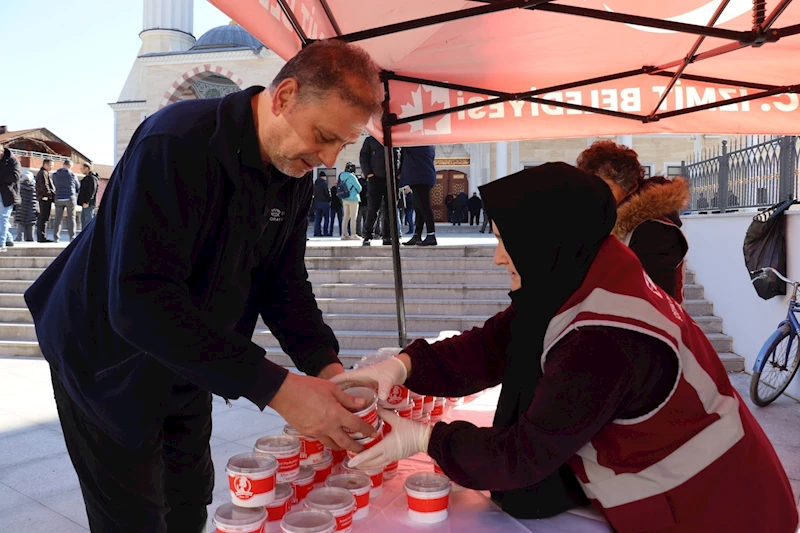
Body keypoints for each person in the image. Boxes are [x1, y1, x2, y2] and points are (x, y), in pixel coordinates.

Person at [24, 39, 382, 533]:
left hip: (190, 353)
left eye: (341, 144)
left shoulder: (293, 172)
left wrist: (327, 367)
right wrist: (278, 389)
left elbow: (284, 282)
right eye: (322, 136)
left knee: (189, 503)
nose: (327, 158)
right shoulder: (175, 142)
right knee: (135, 518)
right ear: (284, 96)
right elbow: (138, 300)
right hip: (106, 358)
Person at [333, 163, 798, 533]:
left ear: (544, 239)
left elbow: (525, 453)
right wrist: (401, 366)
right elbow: (496, 343)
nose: (498, 257)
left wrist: (423, 439)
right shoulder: (584, 266)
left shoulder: (604, 339)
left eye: (506, 241)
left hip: (717, 507)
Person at [577, 141, 688, 301]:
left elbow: (655, 301)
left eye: (606, 187)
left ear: (630, 187)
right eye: (590, 187)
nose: (596, 194)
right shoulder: (606, 218)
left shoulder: (653, 230)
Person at [400, 146, 437, 246]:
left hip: (420, 178)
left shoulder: (413, 145)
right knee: (419, 209)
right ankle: (417, 235)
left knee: (424, 208)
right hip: (423, 177)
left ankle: (431, 235)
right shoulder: (428, 145)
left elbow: (403, 155)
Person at [359, 135, 391, 246]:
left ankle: (388, 236)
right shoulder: (371, 140)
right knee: (372, 208)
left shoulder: (394, 138)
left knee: (390, 209)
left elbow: (402, 157)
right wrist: (368, 173)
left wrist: (399, 174)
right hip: (375, 178)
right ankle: (367, 235)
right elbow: (363, 156)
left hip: (391, 179)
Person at [51, 159, 79, 242]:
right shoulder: (72, 174)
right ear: (70, 166)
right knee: (71, 218)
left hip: (58, 197)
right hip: (70, 197)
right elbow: (77, 186)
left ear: (63, 164)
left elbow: (54, 184)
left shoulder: (55, 174)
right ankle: (72, 237)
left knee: (58, 218)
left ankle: (56, 237)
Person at [0, 144, 21, 251]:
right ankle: (8, 238)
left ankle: (1, 244)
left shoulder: (13, 161)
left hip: (7, 193)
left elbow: (15, 176)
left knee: (3, 218)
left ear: (2, 151)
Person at [338, 162, 362, 240]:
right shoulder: (352, 176)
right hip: (353, 198)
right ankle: (353, 234)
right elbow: (359, 188)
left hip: (344, 198)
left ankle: (344, 234)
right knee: (353, 217)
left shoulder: (341, 176)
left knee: (345, 217)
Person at [36, 158, 55, 242]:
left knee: (44, 218)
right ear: (45, 165)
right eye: (51, 165)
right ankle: (41, 236)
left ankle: (42, 236)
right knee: (43, 217)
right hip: (44, 198)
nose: (52, 167)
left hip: (45, 198)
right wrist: (50, 195)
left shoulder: (45, 173)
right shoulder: (43, 173)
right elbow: (45, 186)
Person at [15, 170, 38, 242]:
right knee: (31, 224)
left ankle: (19, 238)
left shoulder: (19, 187)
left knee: (21, 224)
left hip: (21, 209)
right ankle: (30, 238)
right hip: (31, 209)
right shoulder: (34, 188)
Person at [77, 162, 100, 231]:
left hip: (88, 204)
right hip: (85, 203)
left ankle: (89, 235)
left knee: (88, 221)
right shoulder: (87, 178)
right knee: (84, 221)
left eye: (82, 168)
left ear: (86, 168)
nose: (81, 170)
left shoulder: (92, 178)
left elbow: (92, 191)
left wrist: (87, 202)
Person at [313, 171, 331, 237]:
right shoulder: (324, 183)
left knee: (317, 219)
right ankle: (325, 232)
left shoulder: (315, 183)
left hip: (317, 203)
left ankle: (317, 232)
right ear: (323, 176)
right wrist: (329, 199)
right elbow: (326, 192)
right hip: (324, 203)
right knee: (326, 218)